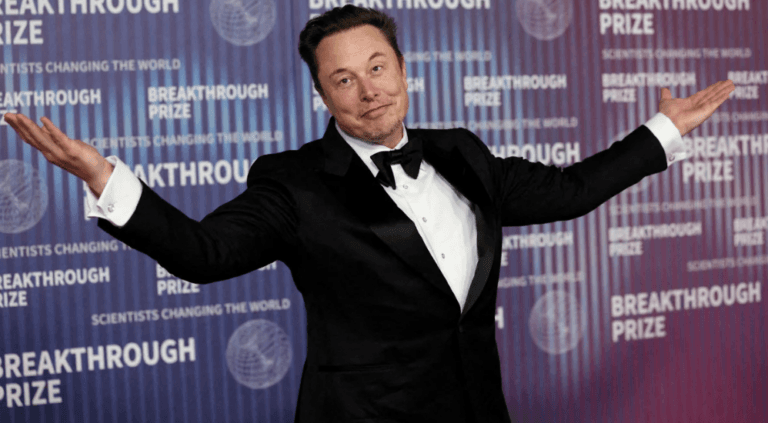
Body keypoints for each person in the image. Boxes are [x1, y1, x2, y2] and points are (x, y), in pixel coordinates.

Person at [4, 5, 734, 423]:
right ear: (322, 96)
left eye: (378, 67)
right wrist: (105, 178)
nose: (368, 90)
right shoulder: (294, 183)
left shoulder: (462, 153)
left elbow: (569, 191)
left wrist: (661, 132)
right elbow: (203, 253)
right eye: (344, 79)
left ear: (404, 70)